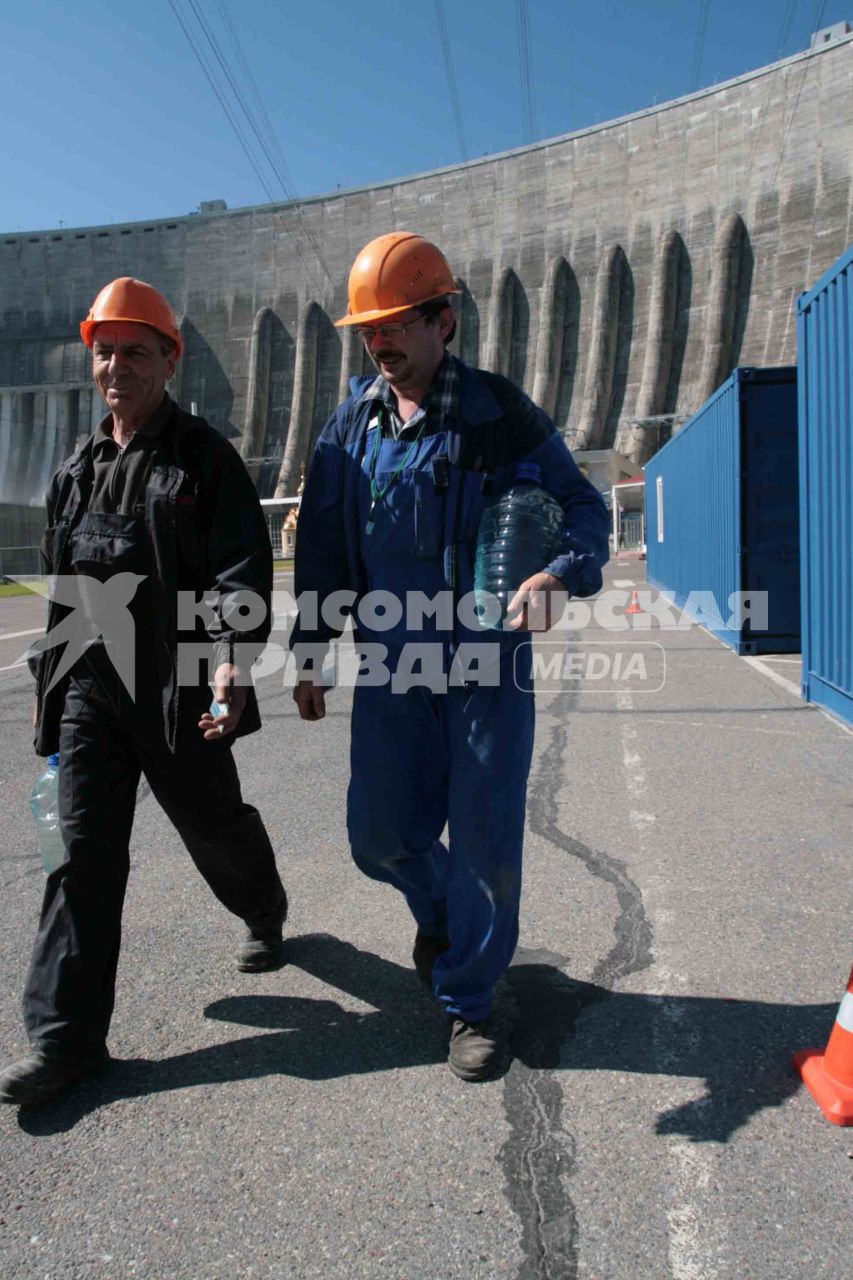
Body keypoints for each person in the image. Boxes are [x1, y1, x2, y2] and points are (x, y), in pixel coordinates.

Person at [289, 233, 608, 1081]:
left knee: (485, 845)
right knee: (377, 836)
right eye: (369, 330)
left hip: (484, 674)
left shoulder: (497, 413)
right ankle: (444, 916)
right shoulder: (349, 426)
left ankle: (471, 1000)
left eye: (396, 324)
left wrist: (557, 572)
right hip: (392, 670)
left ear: (445, 320)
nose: (381, 343)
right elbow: (323, 546)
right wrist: (312, 648)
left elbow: (582, 506)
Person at [0, 277, 289, 1107]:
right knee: (78, 859)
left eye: (134, 352)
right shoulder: (76, 470)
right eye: (105, 351)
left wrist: (231, 658)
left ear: (169, 360)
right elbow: (63, 591)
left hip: (181, 689)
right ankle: (65, 1042)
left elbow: (239, 572)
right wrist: (47, 692)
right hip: (92, 692)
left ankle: (263, 908)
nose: (116, 366)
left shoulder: (204, 460)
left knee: (215, 826)